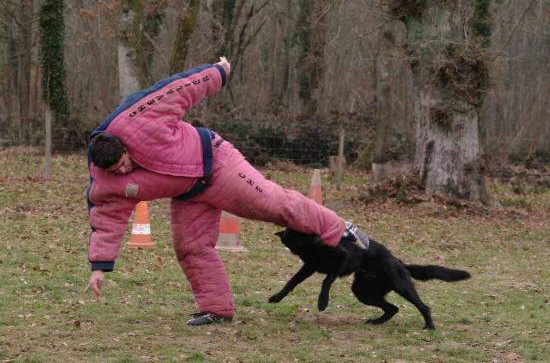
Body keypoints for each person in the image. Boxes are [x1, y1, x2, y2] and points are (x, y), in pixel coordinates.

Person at [84, 57, 365, 326]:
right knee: (190, 248)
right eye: (115, 172)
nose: (122, 172)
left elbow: (177, 88)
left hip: (217, 163)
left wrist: (217, 72)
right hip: (188, 194)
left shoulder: (139, 116)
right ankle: (216, 309)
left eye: (123, 163)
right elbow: (107, 221)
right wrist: (99, 267)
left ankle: (340, 228)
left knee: (275, 204)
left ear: (123, 145)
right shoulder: (105, 182)